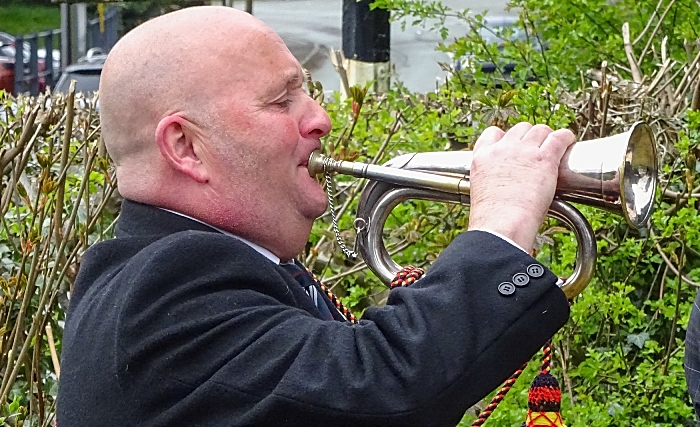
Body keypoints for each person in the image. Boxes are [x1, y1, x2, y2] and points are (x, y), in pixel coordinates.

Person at [56, 6, 576, 427]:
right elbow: (379, 390)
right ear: (186, 147)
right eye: (282, 100)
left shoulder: (201, 268)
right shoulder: (165, 286)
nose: (320, 119)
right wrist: (502, 223)